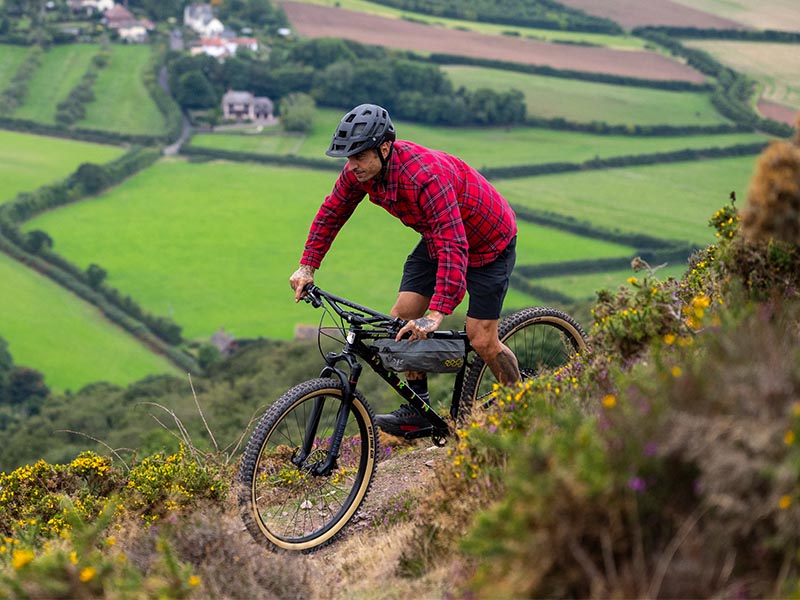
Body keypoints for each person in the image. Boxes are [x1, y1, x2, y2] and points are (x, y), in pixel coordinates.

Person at [289, 103, 520, 437]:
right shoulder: (361, 172)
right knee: (400, 321)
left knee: (481, 338)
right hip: (438, 235)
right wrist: (307, 266)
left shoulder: (426, 176)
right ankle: (419, 409)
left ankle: (523, 399)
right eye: (347, 158)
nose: (351, 166)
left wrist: (438, 312)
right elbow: (331, 213)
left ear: (384, 148)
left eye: (358, 157)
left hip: (488, 242)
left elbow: (454, 244)